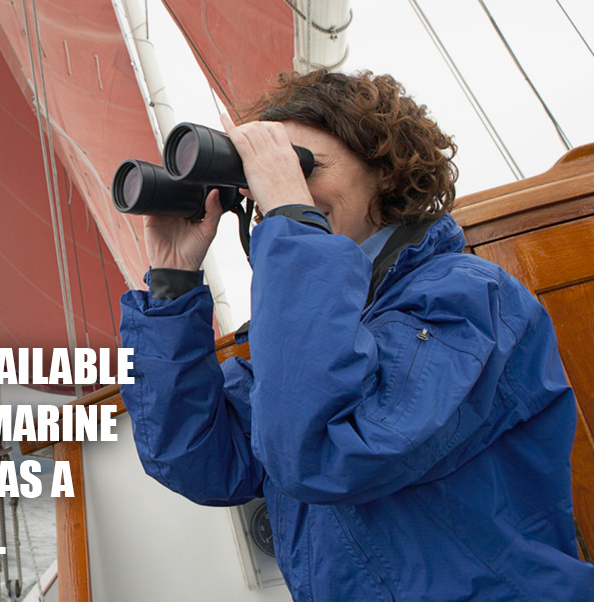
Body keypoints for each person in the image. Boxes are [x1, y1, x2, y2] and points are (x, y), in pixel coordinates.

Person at [119, 70, 594, 600]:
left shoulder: (467, 299)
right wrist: (171, 282)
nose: (280, 187)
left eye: (302, 167)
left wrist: (292, 225)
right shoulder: (314, 329)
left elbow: (324, 454)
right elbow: (199, 461)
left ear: (385, 173)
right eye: (267, 174)